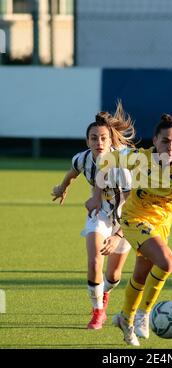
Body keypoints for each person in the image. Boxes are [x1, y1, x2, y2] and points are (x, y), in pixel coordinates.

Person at [86, 114, 172, 345]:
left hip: (161, 223)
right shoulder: (138, 158)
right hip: (134, 218)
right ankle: (143, 315)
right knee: (167, 261)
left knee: (141, 275)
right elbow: (105, 161)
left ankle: (124, 319)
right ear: (155, 141)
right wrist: (96, 197)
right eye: (166, 141)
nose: (171, 146)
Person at [51, 102, 140, 330]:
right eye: (93, 138)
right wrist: (62, 188)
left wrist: (118, 235)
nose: (98, 143)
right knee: (94, 261)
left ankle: (105, 293)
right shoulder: (83, 159)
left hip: (126, 216)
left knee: (114, 275)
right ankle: (97, 311)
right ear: (87, 141)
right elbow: (72, 173)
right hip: (99, 213)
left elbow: (133, 200)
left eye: (103, 138)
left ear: (111, 141)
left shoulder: (125, 161)